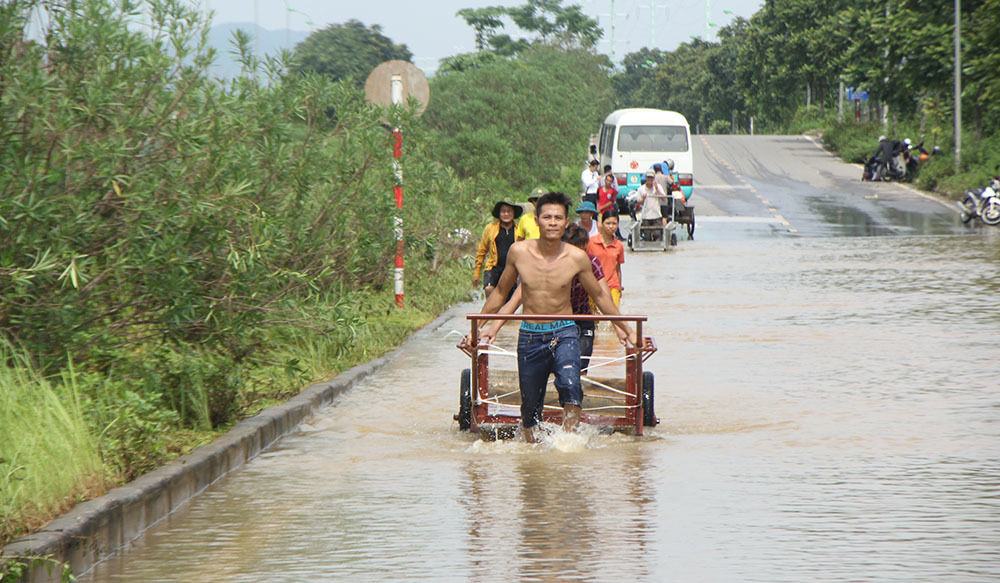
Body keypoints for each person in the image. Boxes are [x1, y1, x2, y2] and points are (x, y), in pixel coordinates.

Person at [477, 192, 636, 443]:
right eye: (547, 217)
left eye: (558, 218)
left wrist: (625, 329)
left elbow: (601, 296)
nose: (552, 222)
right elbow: (501, 293)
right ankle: (532, 450)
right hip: (530, 335)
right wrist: (483, 327)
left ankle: (568, 445)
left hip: (564, 332)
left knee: (572, 388)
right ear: (536, 220)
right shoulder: (519, 252)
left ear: (565, 223)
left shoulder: (576, 258)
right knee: (530, 408)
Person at [480, 223, 611, 375]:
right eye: (573, 250)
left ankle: (575, 391)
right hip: (554, 322)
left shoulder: (591, 263)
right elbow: (514, 300)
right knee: (551, 368)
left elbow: (603, 296)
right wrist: (492, 329)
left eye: (582, 250)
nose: (577, 255)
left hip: (582, 320)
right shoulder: (544, 266)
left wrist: (624, 331)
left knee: (578, 368)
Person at [473, 200, 521, 298]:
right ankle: (492, 311)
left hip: (512, 269)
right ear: (499, 213)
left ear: (513, 213)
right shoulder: (490, 228)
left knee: (509, 298)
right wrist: (476, 273)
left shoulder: (519, 229)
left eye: (509, 211)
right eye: (503, 211)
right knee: (489, 288)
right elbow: (482, 251)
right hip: (494, 267)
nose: (506, 214)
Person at [587, 211, 625, 308]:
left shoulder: (619, 245)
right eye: (608, 223)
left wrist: (619, 288)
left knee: (614, 317)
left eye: (614, 223)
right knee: (594, 319)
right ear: (601, 224)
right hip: (593, 286)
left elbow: (618, 269)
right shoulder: (591, 242)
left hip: (613, 286)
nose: (611, 226)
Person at [635, 170, 668, 238]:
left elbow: (664, 198)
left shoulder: (658, 187)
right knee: (647, 236)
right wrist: (643, 199)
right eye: (648, 177)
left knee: (657, 234)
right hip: (646, 216)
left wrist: (657, 189)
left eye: (651, 178)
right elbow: (638, 202)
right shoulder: (641, 189)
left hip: (656, 215)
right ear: (646, 178)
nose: (650, 179)